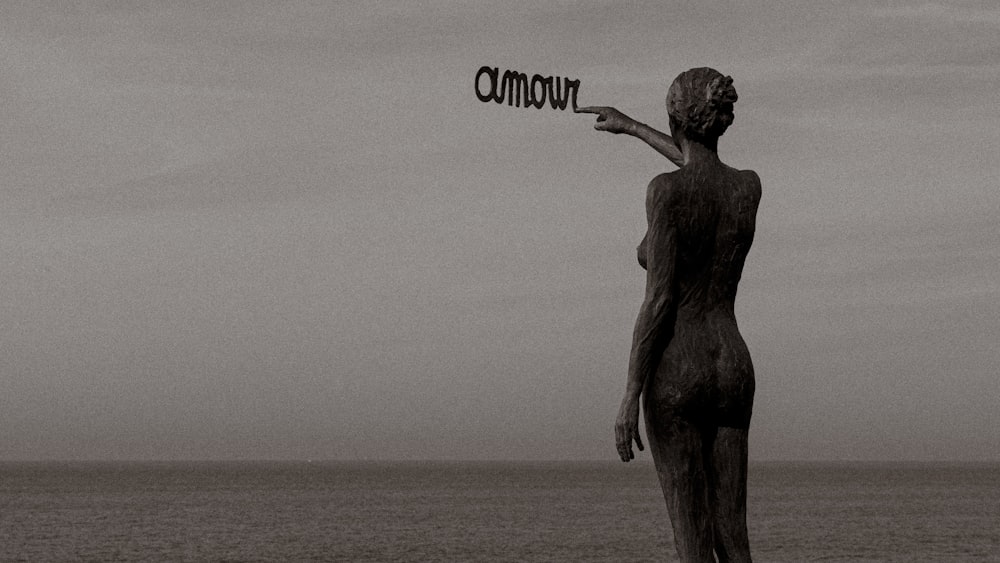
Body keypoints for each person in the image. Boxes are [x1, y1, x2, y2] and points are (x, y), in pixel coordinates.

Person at [577, 68, 760, 562]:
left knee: (694, 542)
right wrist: (633, 127)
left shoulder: (666, 193)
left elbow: (658, 301)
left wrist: (629, 394)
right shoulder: (747, 188)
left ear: (677, 119)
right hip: (732, 366)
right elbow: (698, 165)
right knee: (734, 539)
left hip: (681, 364)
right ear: (718, 120)